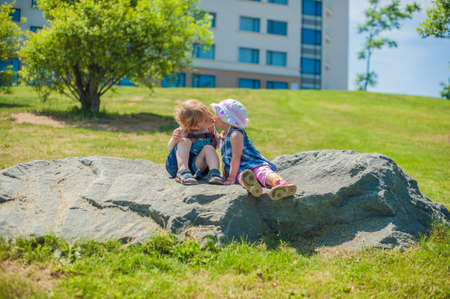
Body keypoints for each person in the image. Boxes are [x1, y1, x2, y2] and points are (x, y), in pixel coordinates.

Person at [210, 99, 296, 200]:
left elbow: (236, 157)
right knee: (243, 177)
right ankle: (254, 187)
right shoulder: (224, 134)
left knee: (262, 172)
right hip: (240, 169)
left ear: (226, 119)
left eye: (217, 116)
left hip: (253, 163)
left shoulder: (235, 134)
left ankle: (281, 183)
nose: (214, 119)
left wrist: (231, 177)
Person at [166, 99, 224, 185]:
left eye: (208, 113)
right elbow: (170, 149)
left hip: (198, 166)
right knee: (184, 141)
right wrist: (175, 140)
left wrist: (220, 139)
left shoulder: (210, 129)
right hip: (177, 165)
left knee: (209, 148)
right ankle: (182, 171)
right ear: (194, 126)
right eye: (205, 119)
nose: (210, 118)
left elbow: (217, 146)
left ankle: (214, 172)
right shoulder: (183, 131)